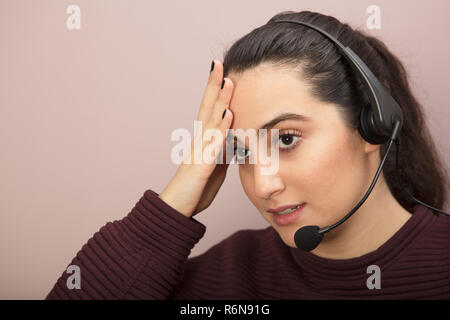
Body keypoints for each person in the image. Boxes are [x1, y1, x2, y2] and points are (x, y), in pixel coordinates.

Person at [46, 10, 450, 300]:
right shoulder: (228, 278)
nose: (262, 183)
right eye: (240, 151)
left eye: (286, 139)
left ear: (372, 126)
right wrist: (173, 207)